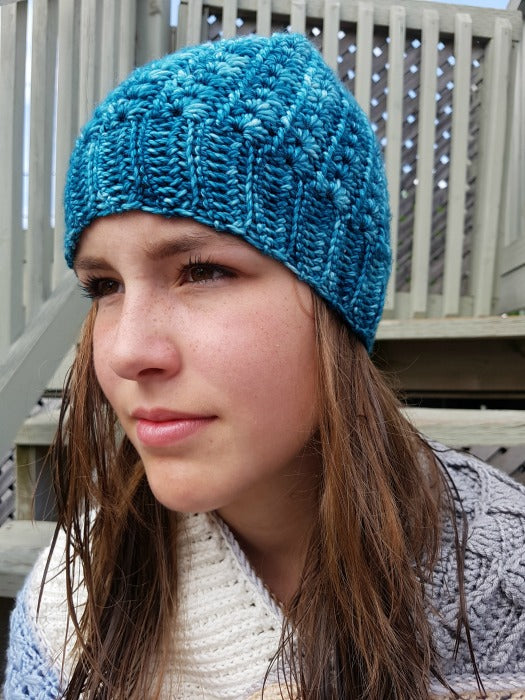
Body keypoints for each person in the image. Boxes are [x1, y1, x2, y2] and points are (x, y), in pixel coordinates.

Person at [4, 32, 525, 700]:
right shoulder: (69, 605)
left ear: (336, 300)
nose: (127, 352)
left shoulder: (504, 581)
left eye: (202, 270)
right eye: (104, 286)